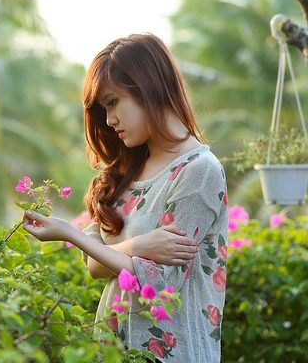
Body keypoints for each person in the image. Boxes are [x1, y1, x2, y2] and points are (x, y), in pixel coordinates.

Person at [22, 33, 228, 362]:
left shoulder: (199, 171)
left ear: (148, 87)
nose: (109, 119)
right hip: (114, 348)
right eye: (104, 107)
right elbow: (95, 266)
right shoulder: (127, 169)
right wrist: (137, 247)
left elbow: (161, 284)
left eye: (114, 101)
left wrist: (71, 234)